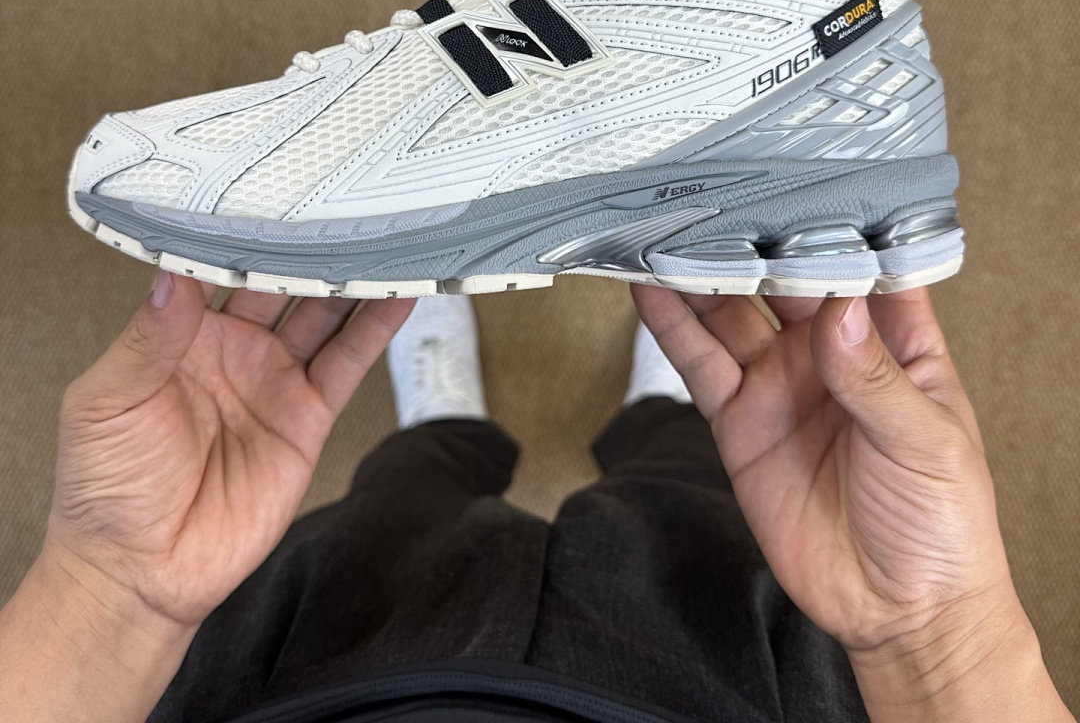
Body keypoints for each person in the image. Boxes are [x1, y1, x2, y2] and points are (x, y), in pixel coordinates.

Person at [0, 272, 1071, 723]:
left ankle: (446, 424)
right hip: (715, 698)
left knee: (396, 510)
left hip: (319, 688)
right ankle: (668, 413)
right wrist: (936, 638)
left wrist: (110, 592)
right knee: (693, 502)